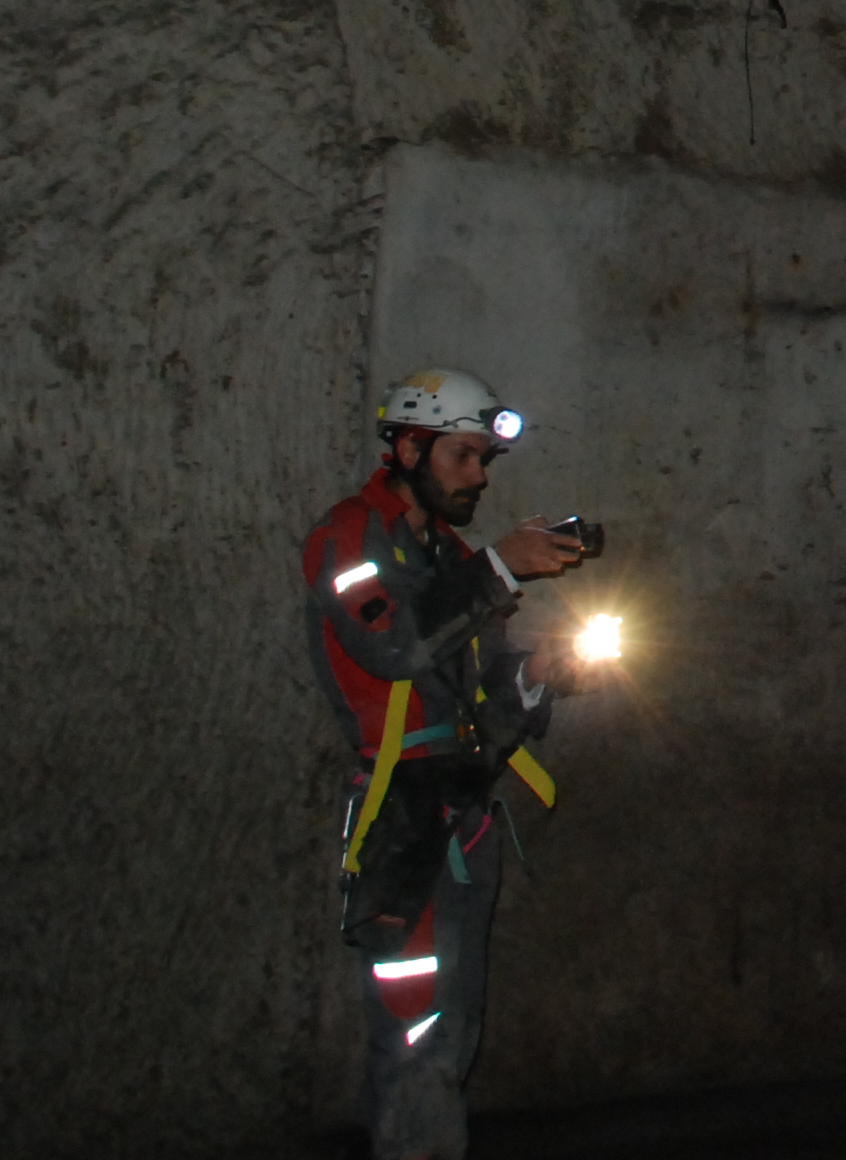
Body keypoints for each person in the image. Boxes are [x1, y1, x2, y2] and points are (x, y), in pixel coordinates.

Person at [300, 367, 604, 1160]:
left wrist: (540, 676)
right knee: (417, 1035)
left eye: (483, 461)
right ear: (407, 446)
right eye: (463, 457)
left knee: (451, 1028)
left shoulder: (450, 555)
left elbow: (482, 689)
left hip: (465, 816)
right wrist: (498, 569)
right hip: (402, 814)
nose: (478, 477)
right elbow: (394, 645)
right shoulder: (348, 538)